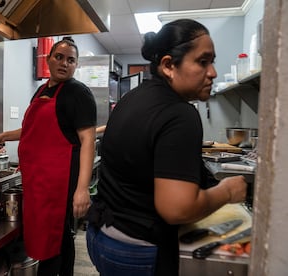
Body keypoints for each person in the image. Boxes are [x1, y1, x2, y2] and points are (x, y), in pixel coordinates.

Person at [86, 19, 247, 276]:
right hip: (138, 250)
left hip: (101, 237)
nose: (213, 72)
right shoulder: (179, 114)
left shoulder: (132, 98)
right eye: (203, 62)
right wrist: (228, 191)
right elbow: (177, 208)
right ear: (169, 65)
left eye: (212, 61)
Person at [0, 37, 97, 276]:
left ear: (76, 65)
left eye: (71, 60)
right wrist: (5, 135)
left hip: (59, 181)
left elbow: (88, 140)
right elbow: (31, 130)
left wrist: (82, 189)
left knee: (53, 237)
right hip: (39, 179)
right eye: (59, 57)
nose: (64, 63)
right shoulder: (41, 90)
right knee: (57, 237)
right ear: (48, 59)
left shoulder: (78, 93)